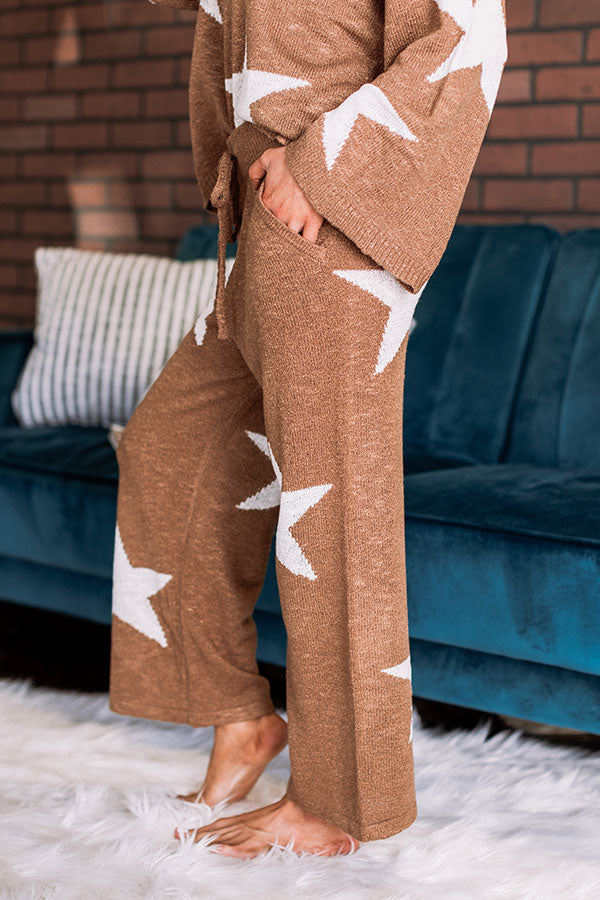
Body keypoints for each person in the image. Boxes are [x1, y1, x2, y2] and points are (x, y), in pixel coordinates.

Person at [109, 0, 508, 858]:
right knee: (169, 449)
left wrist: (322, 168)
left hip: (330, 221)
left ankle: (335, 803)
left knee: (335, 522)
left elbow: (468, 32)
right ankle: (241, 718)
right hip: (263, 226)